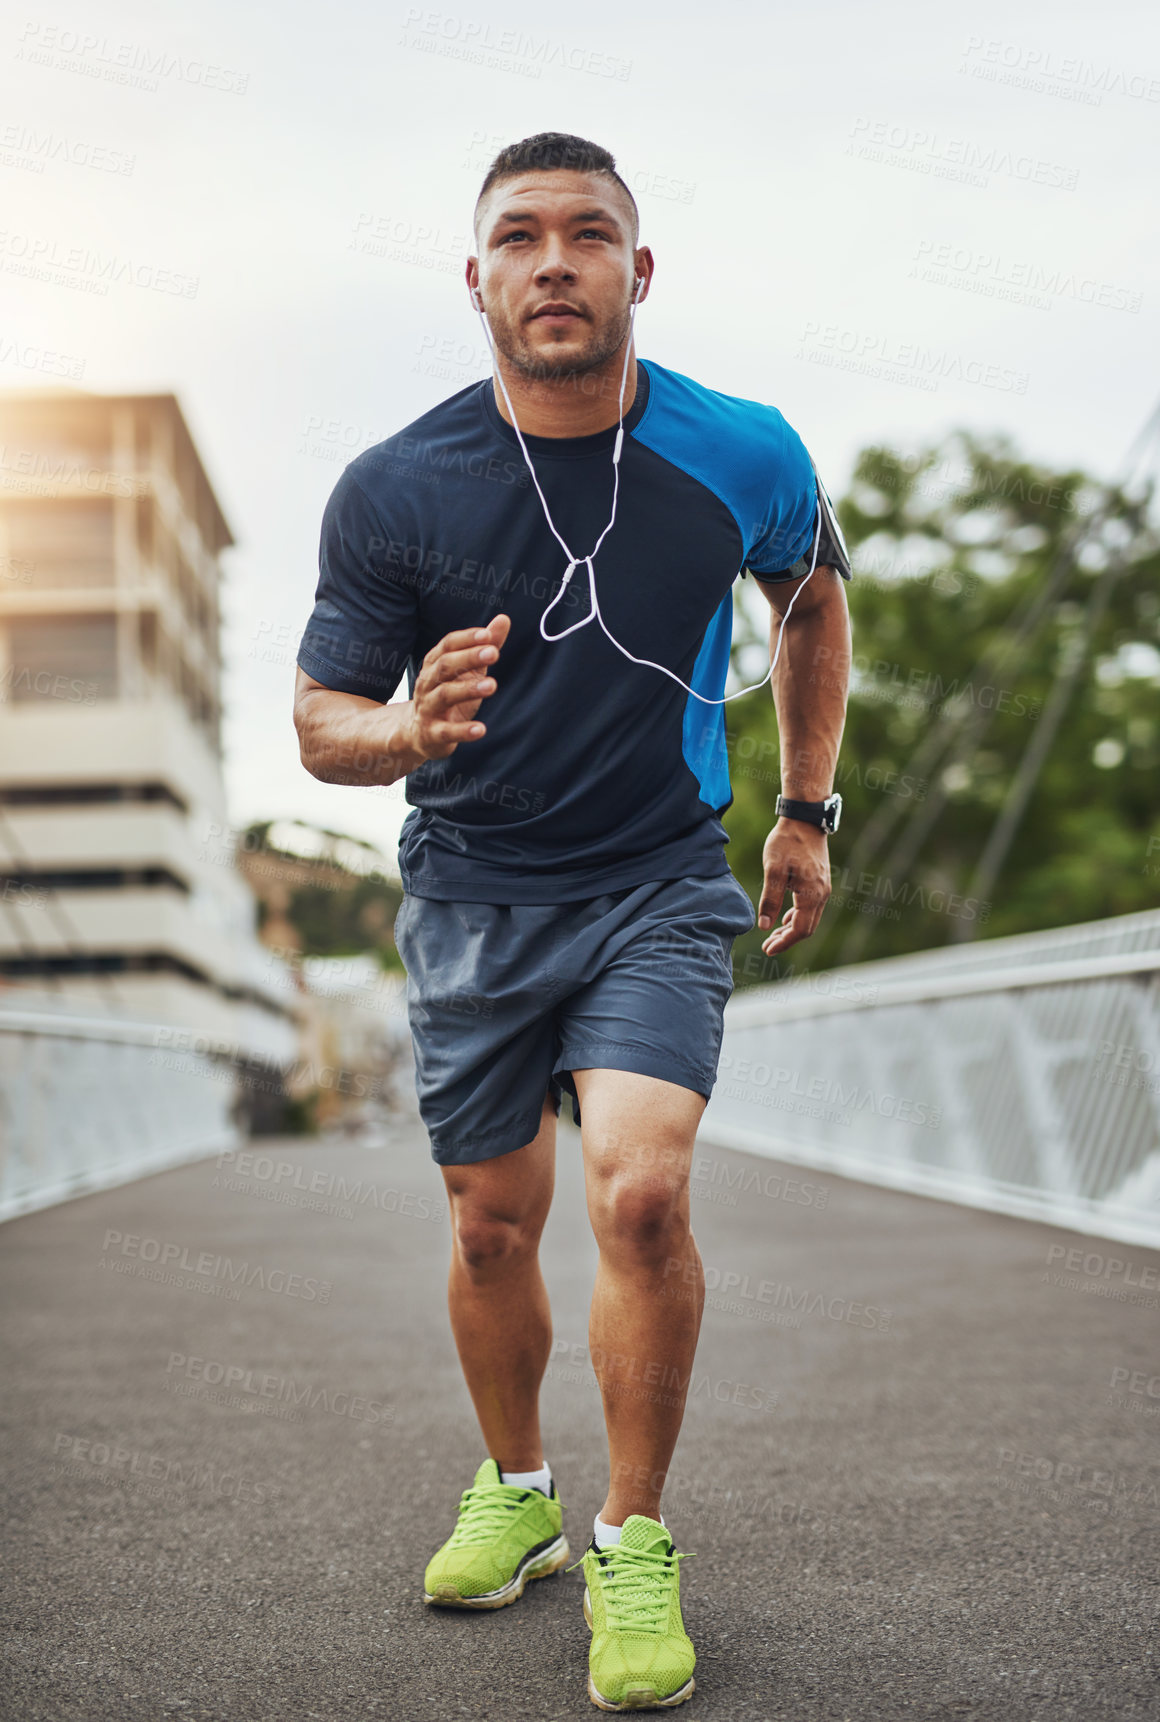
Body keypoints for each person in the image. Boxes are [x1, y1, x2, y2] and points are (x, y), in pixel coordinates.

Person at [293, 131, 851, 1713]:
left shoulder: (742, 451)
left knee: (644, 1195)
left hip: (657, 880)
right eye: (519, 237)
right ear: (476, 278)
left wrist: (805, 807)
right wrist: (403, 734)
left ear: (638, 270)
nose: (554, 260)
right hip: (471, 892)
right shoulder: (397, 487)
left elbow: (814, 596)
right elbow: (321, 717)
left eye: (588, 234)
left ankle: (631, 1534)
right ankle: (521, 1485)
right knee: (488, 1221)